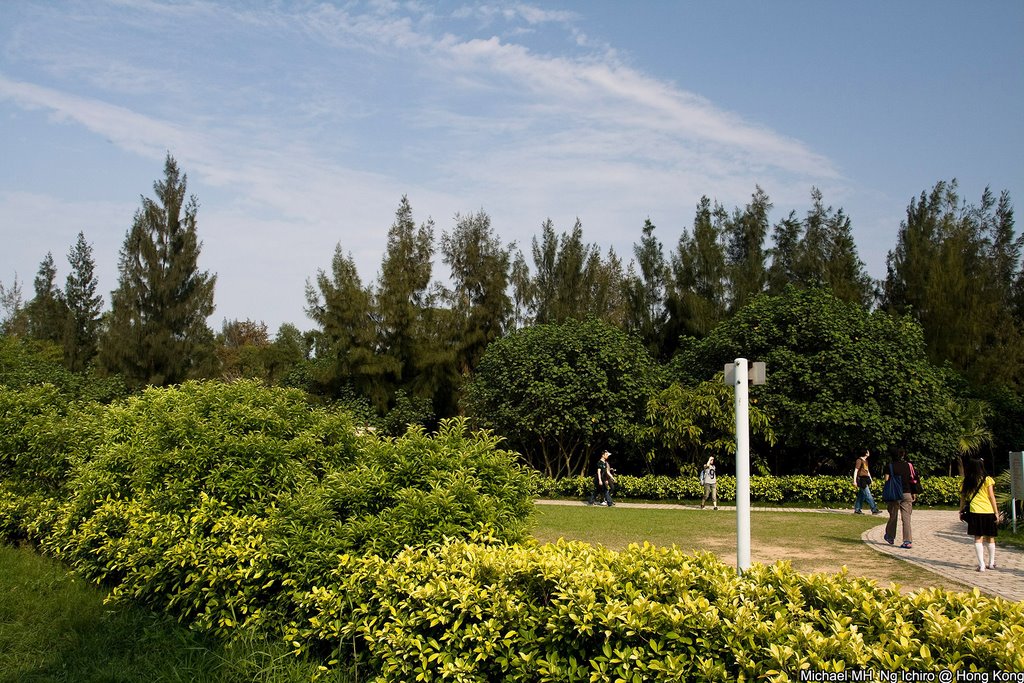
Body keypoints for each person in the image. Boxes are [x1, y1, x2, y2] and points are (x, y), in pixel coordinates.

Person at [960, 458, 1000, 571]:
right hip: (988, 511)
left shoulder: (967, 481)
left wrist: (961, 510)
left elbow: (963, 497)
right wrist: (996, 512)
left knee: (978, 538)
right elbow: (991, 496)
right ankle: (991, 563)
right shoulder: (988, 480)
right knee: (990, 537)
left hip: (975, 512)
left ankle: (981, 564)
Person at [882, 448, 920, 549]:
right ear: (902, 455)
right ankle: (907, 541)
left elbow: (886, 480)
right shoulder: (909, 465)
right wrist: (914, 493)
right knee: (906, 518)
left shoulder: (889, 466)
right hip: (907, 493)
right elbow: (913, 479)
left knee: (893, 515)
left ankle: (890, 536)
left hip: (894, 494)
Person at [852, 448, 881, 515]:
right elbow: (856, 471)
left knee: (861, 495)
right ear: (865, 453)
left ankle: (857, 509)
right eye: (868, 452)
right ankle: (874, 509)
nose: (869, 453)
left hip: (865, 479)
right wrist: (854, 481)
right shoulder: (859, 460)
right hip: (861, 479)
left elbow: (867, 471)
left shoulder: (866, 461)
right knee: (868, 494)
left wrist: (871, 479)